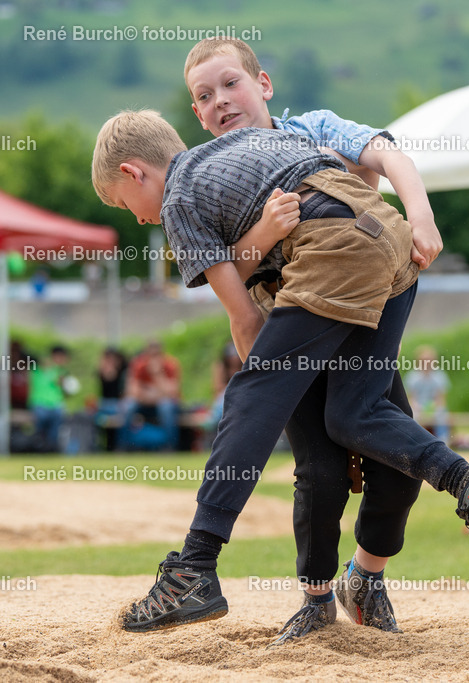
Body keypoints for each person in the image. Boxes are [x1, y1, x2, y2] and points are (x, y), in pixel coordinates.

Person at [91, 109, 469, 634]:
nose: (139, 218)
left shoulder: (179, 197)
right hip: (390, 241)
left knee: (250, 396)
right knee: (357, 413)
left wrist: (271, 388)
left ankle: (193, 567)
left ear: (133, 172)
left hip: (336, 249)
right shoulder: (254, 143)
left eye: (126, 205)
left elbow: (244, 316)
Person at [183, 37, 442, 642]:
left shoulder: (312, 128)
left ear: (263, 84)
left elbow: (389, 154)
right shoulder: (208, 175)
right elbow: (223, 275)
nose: (220, 101)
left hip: (357, 319)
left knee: (395, 467)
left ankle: (367, 577)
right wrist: (266, 229)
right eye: (203, 96)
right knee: (320, 474)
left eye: (230, 84)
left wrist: (420, 214)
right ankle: (315, 597)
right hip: (289, 329)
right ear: (196, 115)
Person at [119, 340, 181, 452]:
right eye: (151, 355)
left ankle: (170, 446)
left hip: (161, 404)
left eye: (156, 355)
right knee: (128, 406)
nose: (153, 359)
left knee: (166, 407)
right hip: (144, 403)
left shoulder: (170, 365)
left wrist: (157, 374)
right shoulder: (139, 365)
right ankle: (123, 445)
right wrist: (153, 394)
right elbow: (132, 391)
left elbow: (173, 392)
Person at [404, 345, 451, 445]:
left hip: (434, 407)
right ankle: (415, 442)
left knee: (441, 415)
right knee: (412, 416)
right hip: (418, 408)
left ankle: (443, 441)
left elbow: (441, 399)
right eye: (424, 360)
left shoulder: (440, 376)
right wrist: (417, 407)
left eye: (429, 360)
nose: (427, 362)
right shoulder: (412, 376)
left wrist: (433, 407)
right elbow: (411, 398)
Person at [29, 345, 70, 451]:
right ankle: (38, 446)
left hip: (55, 406)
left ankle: (51, 448)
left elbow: (67, 391)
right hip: (40, 404)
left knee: (55, 428)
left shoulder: (61, 372)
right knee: (40, 426)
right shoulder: (39, 368)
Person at [95, 347, 128, 451]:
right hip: (104, 404)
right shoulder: (100, 371)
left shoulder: (124, 371)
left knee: (122, 416)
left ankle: (120, 446)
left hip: (117, 404)